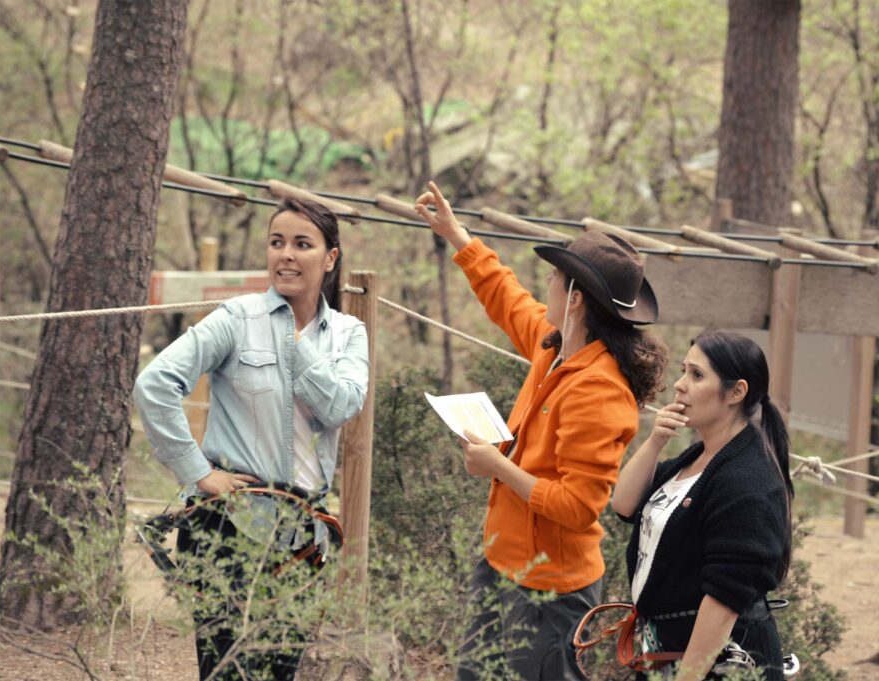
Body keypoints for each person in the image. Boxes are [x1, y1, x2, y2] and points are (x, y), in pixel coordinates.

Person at [414, 181, 669, 680]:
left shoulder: (600, 392)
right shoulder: (555, 345)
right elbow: (508, 298)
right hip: (501, 563)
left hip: (551, 591)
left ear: (575, 299)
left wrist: (498, 467)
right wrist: (456, 235)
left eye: (554, 277)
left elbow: (578, 508)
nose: (546, 284)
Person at [133, 197, 369, 680]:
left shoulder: (349, 333)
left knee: (280, 671)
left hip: (303, 535)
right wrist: (198, 473)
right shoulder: (235, 318)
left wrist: (293, 342)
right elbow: (154, 386)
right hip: (227, 527)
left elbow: (342, 406)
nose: (286, 254)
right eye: (276, 242)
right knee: (224, 672)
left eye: (302, 244)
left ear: (330, 258)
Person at [610, 330, 794, 680]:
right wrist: (654, 442)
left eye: (696, 375)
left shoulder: (748, 481)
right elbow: (623, 505)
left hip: (721, 663)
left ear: (736, 392)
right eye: (683, 371)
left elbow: (723, 601)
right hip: (663, 651)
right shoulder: (697, 457)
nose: (679, 385)